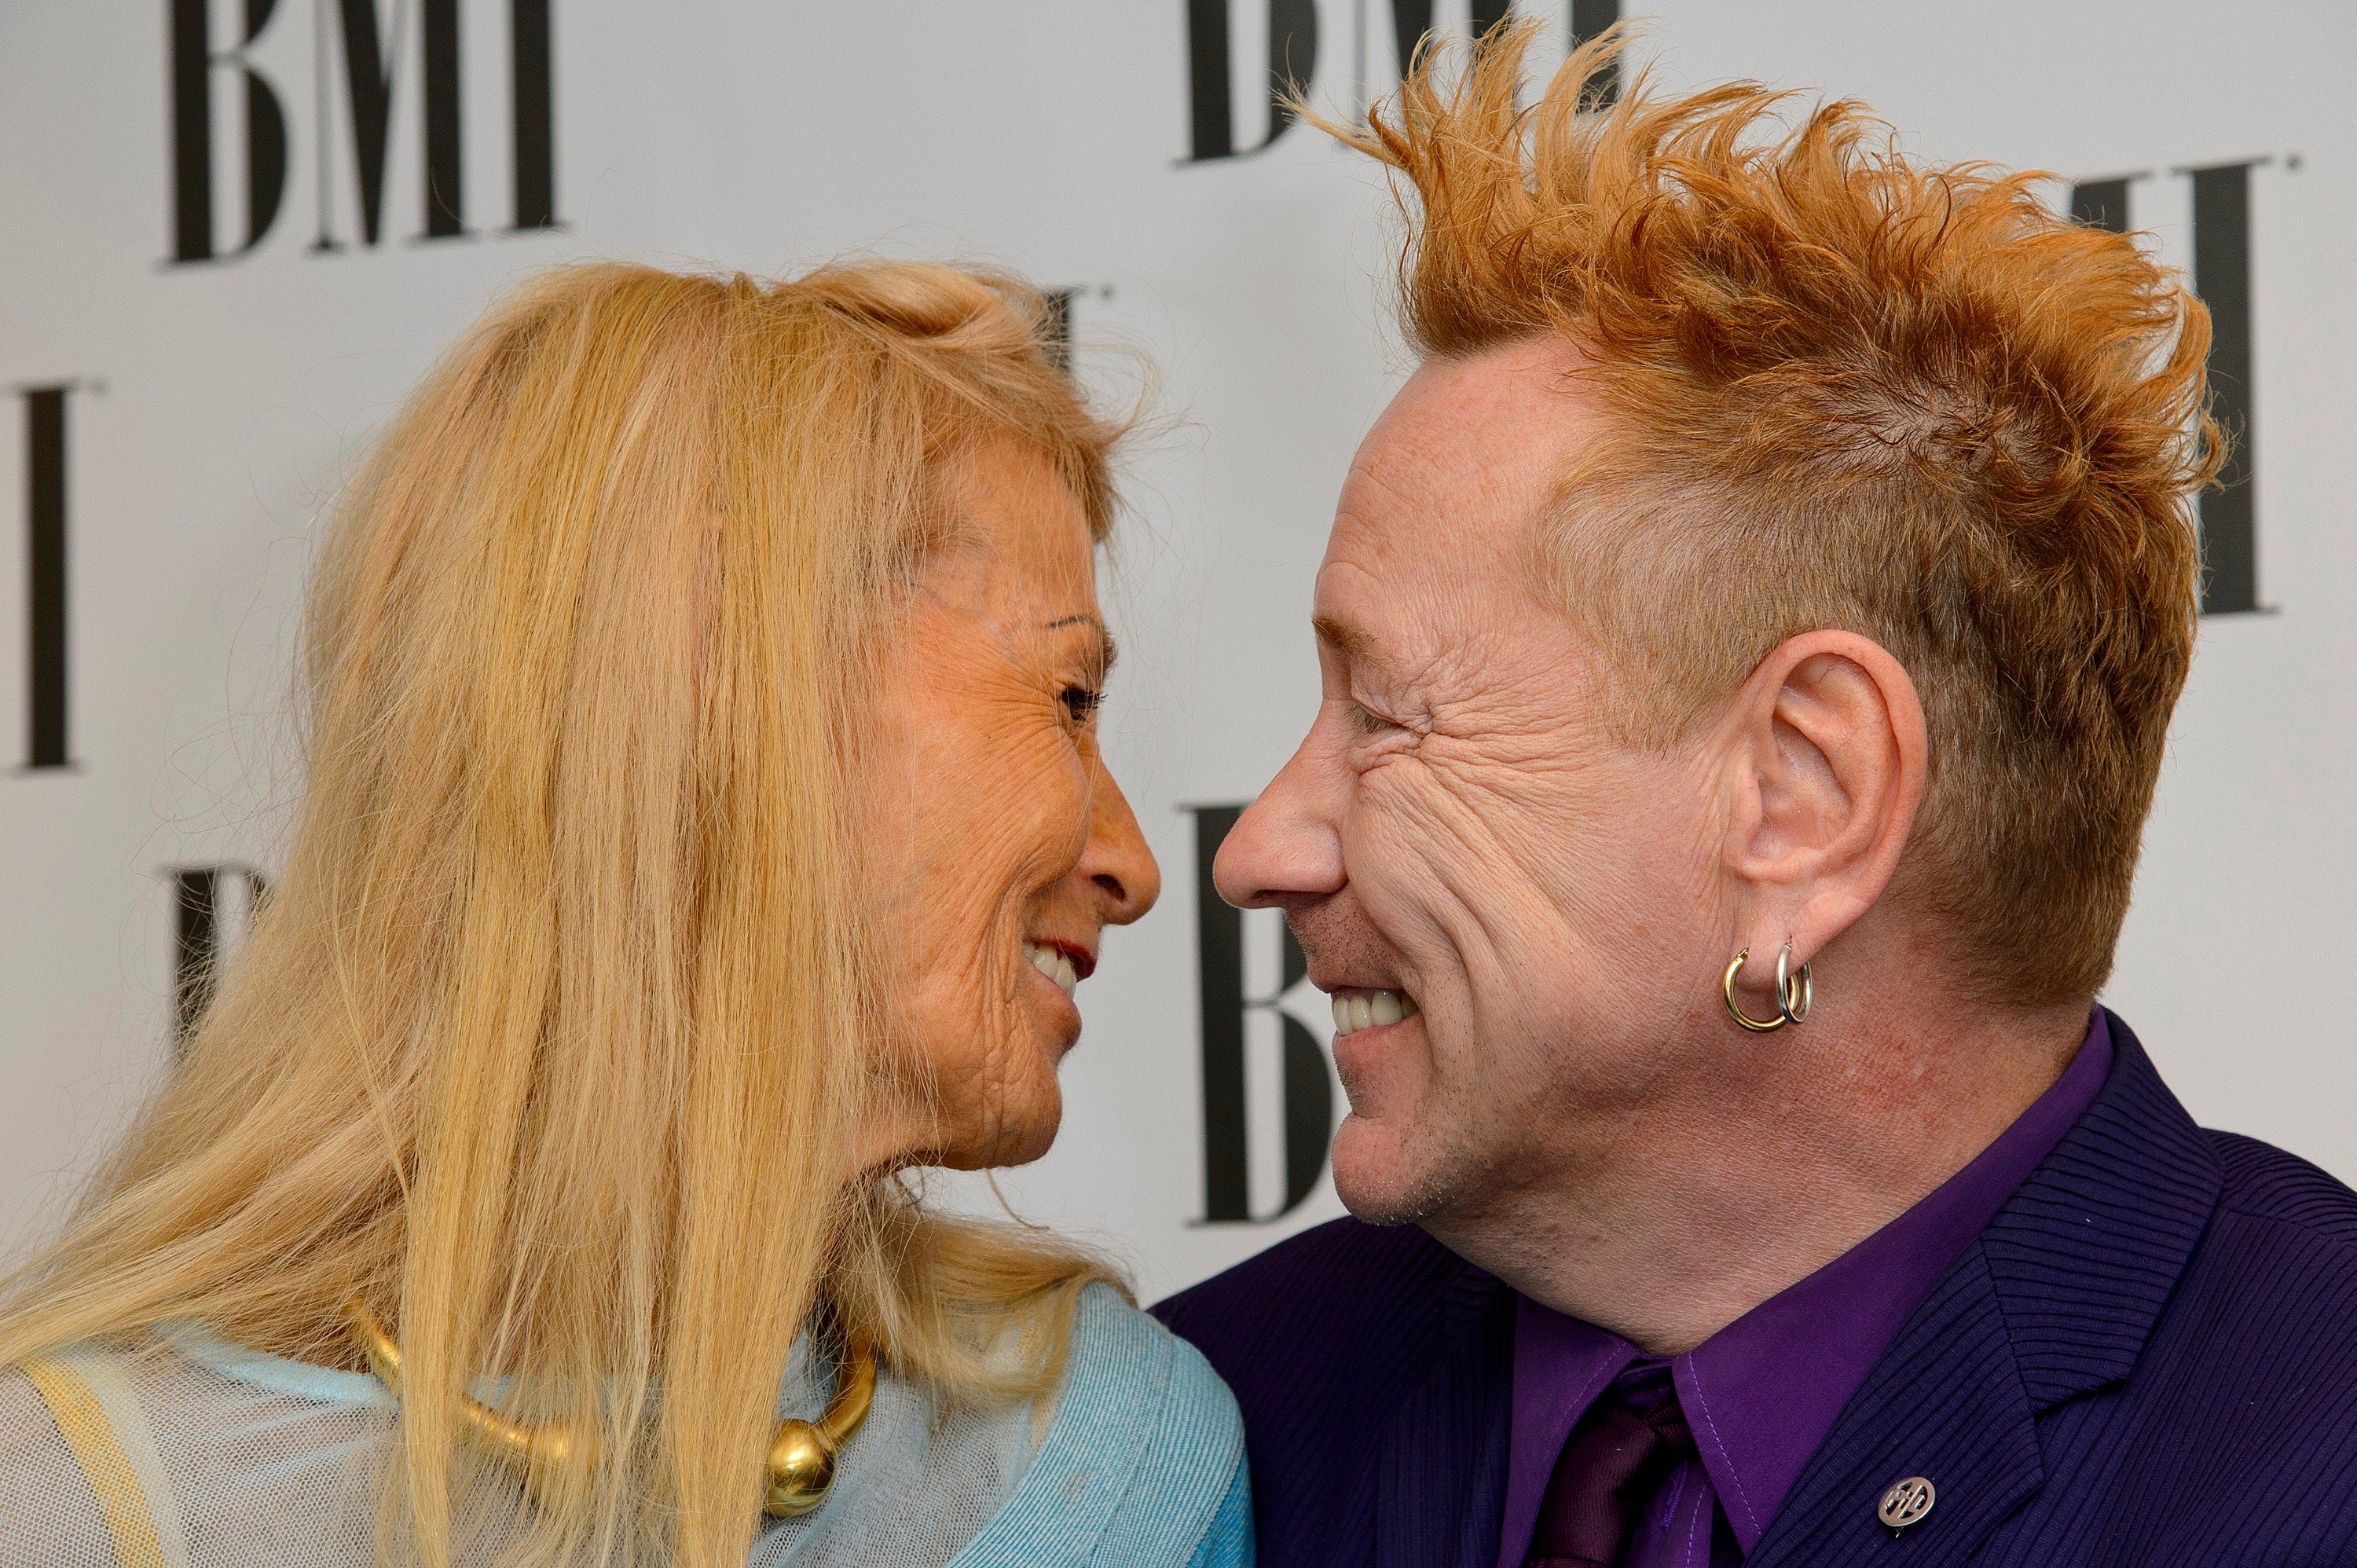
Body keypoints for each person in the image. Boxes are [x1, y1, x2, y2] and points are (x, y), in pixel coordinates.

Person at [1154, 24, 2357, 1568]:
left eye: (1388, 718)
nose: (1258, 849)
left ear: (1804, 795)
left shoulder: (2313, 1450)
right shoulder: (1187, 1447)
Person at [0, 261, 1249, 1568]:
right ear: (724, 673)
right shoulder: (75, 1505)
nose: (1131, 861)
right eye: (1065, 700)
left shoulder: (1109, 1461)